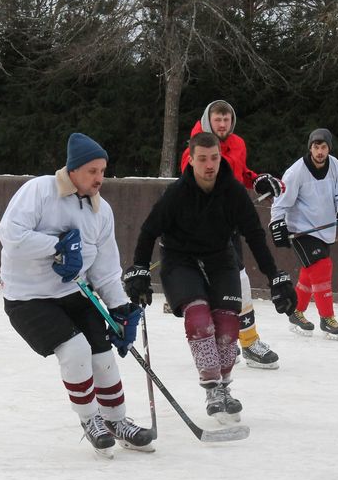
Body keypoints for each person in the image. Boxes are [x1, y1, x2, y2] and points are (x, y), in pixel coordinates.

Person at [0, 132, 153, 458]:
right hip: (27, 298)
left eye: (102, 171)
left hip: (72, 292)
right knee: (75, 349)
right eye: (92, 171)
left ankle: (116, 421)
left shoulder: (101, 211)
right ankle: (90, 419)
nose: (99, 178)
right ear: (73, 170)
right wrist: (56, 246)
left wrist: (120, 308)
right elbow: (10, 235)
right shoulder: (40, 191)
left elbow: (105, 268)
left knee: (102, 352)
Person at [127, 132, 297, 423]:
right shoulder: (177, 193)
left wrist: (275, 277)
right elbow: (149, 231)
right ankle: (211, 388)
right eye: (202, 159)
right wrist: (139, 269)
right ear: (191, 161)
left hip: (220, 258)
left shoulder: (233, 192)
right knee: (199, 318)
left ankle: (224, 388)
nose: (209, 165)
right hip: (180, 260)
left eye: (214, 158)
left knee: (228, 324)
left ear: (221, 158)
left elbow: (255, 236)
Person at [178, 100, 286, 369]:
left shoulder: (237, 144)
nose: (222, 125)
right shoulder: (195, 150)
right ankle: (246, 342)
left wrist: (256, 179)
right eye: (218, 120)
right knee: (236, 281)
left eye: (226, 120)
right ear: (208, 121)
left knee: (232, 282)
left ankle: (228, 339)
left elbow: (239, 174)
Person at [268, 128, 338, 340]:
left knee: (310, 273)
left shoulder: (335, 166)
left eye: (323, 147)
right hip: (301, 229)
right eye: (316, 147)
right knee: (322, 267)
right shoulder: (296, 171)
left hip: (324, 229)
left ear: (329, 148)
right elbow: (281, 200)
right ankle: (327, 318)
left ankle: (296, 312)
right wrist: (277, 222)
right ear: (310, 148)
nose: (319, 151)